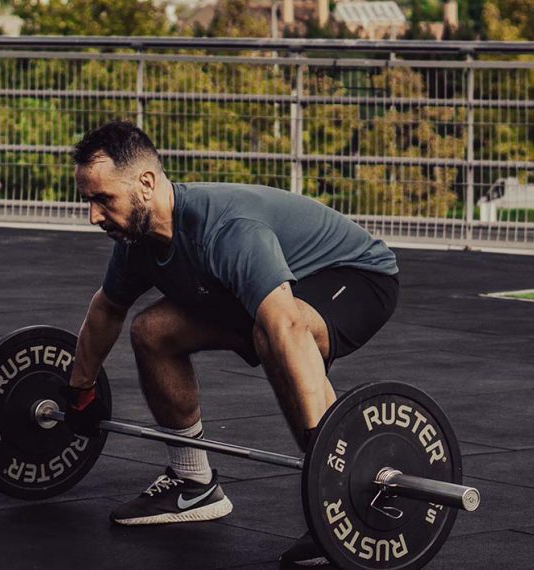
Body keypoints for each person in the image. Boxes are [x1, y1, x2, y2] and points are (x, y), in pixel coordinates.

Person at [63, 121, 399, 567]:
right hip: (263, 291)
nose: (94, 216)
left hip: (354, 277)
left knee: (271, 334)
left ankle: (342, 499)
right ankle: (193, 482)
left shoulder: (227, 229)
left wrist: (323, 447)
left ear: (145, 184)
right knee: (152, 331)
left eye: (104, 199)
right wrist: (80, 390)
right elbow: (107, 309)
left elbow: (287, 327)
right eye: (88, 200)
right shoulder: (137, 243)